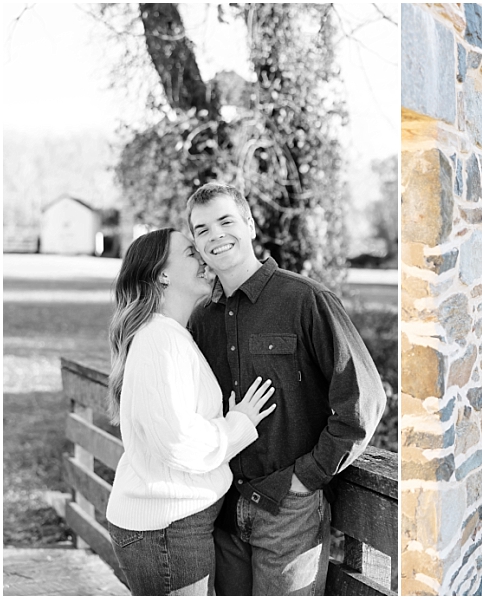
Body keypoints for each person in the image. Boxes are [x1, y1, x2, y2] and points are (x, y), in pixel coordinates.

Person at [185, 182, 387, 596]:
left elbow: (363, 399)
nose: (215, 235)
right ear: (196, 243)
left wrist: (307, 477)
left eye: (226, 221)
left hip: (288, 511)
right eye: (202, 229)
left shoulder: (305, 299)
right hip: (222, 511)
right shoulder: (201, 319)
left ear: (250, 224)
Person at [105, 228, 278, 595]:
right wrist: (239, 425)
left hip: (173, 526)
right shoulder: (160, 340)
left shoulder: (170, 335)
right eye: (189, 252)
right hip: (168, 530)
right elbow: (177, 440)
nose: (203, 257)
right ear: (162, 274)